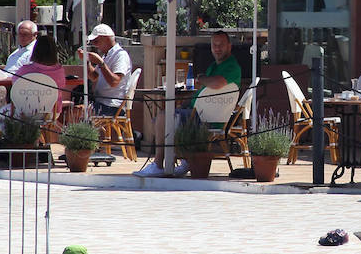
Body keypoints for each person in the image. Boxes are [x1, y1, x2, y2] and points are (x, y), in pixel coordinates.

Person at [136, 30, 243, 176]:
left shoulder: (231, 66)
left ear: (229, 47)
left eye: (221, 45)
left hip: (206, 119)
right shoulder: (214, 66)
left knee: (163, 117)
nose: (217, 48)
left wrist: (201, 78)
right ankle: (186, 160)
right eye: (214, 45)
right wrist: (187, 102)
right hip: (200, 114)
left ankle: (158, 164)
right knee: (164, 117)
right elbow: (204, 93)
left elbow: (217, 84)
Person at [82, 23, 132, 116]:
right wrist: (87, 61)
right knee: (74, 107)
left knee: (76, 112)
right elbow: (94, 77)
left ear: (106, 39)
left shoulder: (120, 55)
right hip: (102, 101)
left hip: (112, 105)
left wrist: (101, 63)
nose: (94, 45)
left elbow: (114, 82)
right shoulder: (107, 55)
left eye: (96, 41)